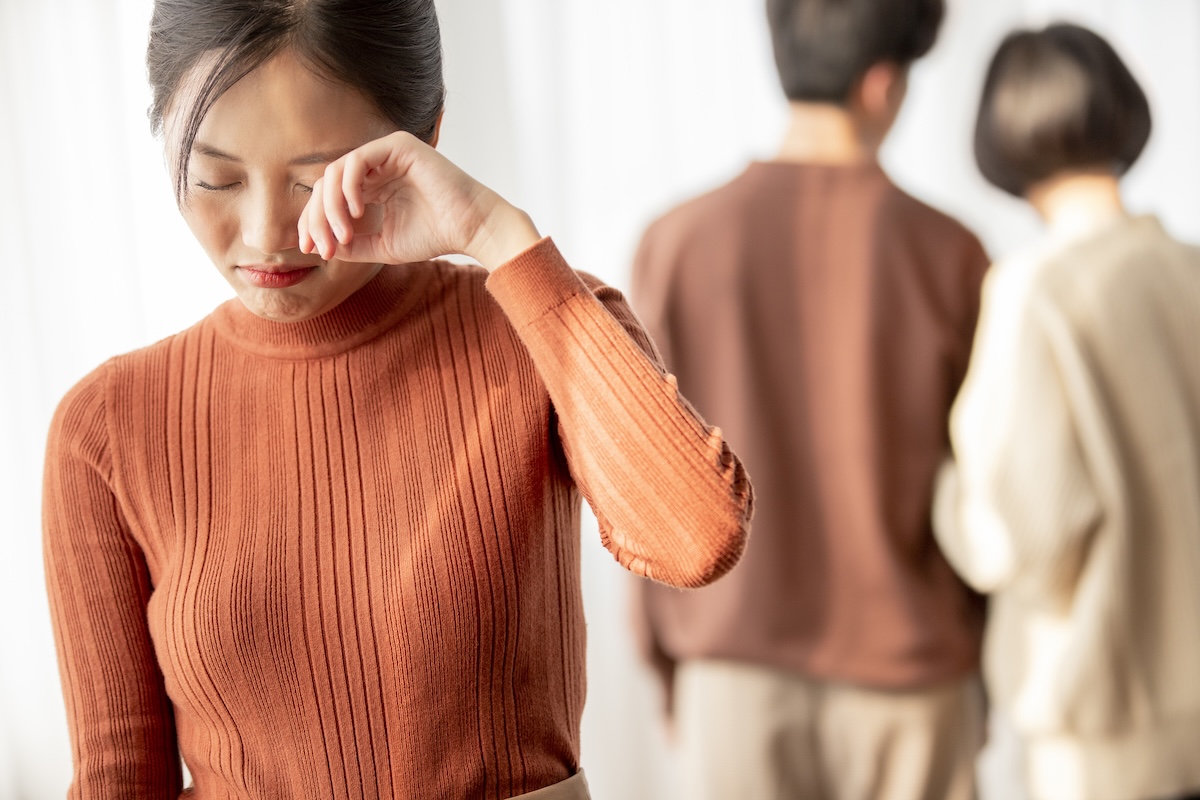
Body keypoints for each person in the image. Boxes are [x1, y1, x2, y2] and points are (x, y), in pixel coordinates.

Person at [40, 2, 753, 798]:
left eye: (315, 180)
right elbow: (114, 782)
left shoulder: (539, 324)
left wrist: (494, 232)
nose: (266, 230)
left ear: (423, 140)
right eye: (216, 177)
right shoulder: (106, 428)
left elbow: (699, 538)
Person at [628, 0, 988, 797]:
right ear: (883, 84)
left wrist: (663, 661)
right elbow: (987, 479)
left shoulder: (676, 240)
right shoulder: (951, 253)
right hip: (912, 673)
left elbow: (641, 480)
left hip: (731, 670)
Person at [934, 22, 1200, 800]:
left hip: (1109, 724)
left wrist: (944, 490)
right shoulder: (1190, 272)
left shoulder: (1033, 291)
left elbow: (1014, 534)